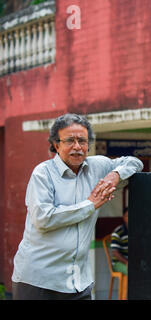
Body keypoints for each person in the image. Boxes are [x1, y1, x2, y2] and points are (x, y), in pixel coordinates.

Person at [11, 113, 143, 300]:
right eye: (70, 140)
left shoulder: (97, 166)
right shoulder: (43, 174)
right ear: (56, 145)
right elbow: (43, 218)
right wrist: (90, 205)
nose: (77, 147)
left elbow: (134, 162)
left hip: (78, 282)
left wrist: (114, 174)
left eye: (82, 141)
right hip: (38, 281)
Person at [111, 207, 129, 276]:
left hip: (132, 263)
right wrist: (127, 262)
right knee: (133, 272)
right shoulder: (118, 232)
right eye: (127, 216)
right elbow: (115, 253)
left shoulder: (137, 231)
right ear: (124, 217)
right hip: (119, 263)